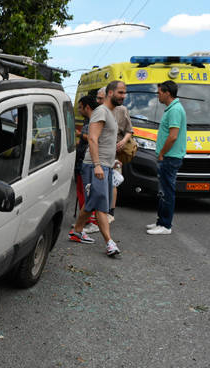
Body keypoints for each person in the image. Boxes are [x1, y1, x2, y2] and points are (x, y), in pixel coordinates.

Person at [68, 80, 125, 257]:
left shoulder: (110, 112)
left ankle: (77, 231)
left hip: (105, 165)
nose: (124, 96)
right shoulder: (101, 112)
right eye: (121, 93)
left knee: (93, 202)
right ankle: (109, 243)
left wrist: (113, 161)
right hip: (95, 166)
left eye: (124, 93)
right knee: (101, 204)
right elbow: (92, 139)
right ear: (110, 93)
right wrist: (98, 164)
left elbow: (107, 141)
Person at [147, 80, 186, 235]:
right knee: (163, 191)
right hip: (168, 156)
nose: (158, 95)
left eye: (160, 92)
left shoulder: (175, 110)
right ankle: (160, 221)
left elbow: (173, 136)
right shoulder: (171, 109)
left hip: (170, 156)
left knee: (167, 191)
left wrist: (162, 153)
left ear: (167, 93)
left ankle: (165, 225)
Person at [74, 95, 100, 234]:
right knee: (81, 191)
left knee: (85, 192)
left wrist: (79, 135)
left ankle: (90, 222)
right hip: (82, 161)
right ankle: (83, 220)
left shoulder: (94, 121)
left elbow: (93, 139)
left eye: (80, 107)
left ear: (87, 107)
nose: (78, 110)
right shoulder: (89, 120)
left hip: (86, 162)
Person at [110, 87, 133, 221]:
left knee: (114, 182)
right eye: (98, 98)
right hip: (101, 154)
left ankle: (110, 213)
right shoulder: (99, 110)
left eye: (100, 98)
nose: (98, 100)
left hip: (116, 154)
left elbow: (130, 130)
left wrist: (124, 141)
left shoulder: (122, 110)